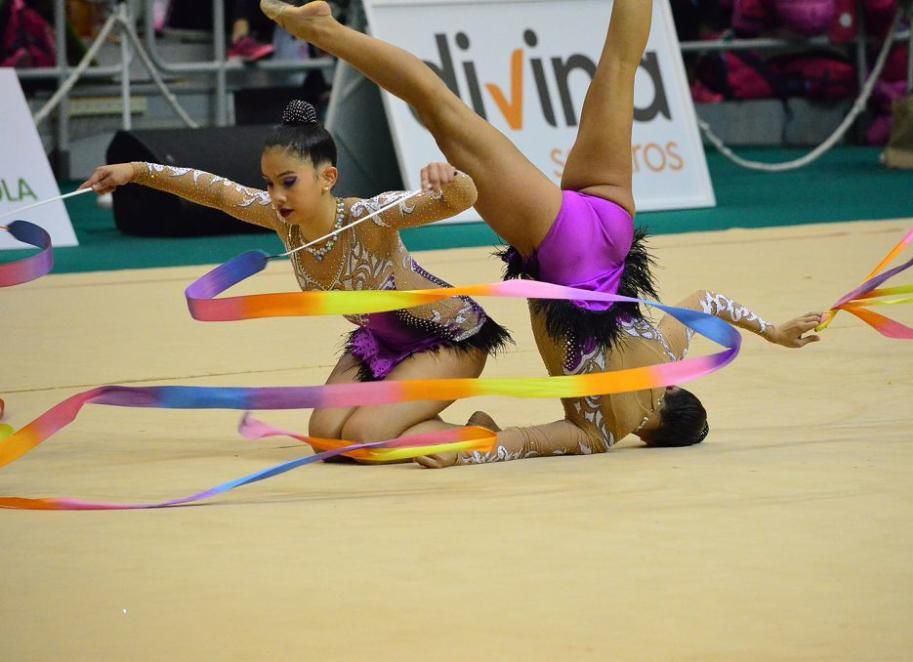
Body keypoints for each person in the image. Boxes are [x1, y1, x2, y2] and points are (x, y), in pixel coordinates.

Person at [261, 0, 821, 467]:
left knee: (619, 63)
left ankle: (327, 30)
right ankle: (326, 31)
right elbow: (522, 441)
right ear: (650, 436)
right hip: (563, 247)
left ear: (676, 391)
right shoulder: (602, 430)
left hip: (611, 224)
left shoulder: (665, 354)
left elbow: (709, 302)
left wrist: (773, 329)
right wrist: (464, 452)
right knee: (441, 111)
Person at [81, 99, 511, 449]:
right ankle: (412, 422)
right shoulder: (281, 220)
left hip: (447, 339)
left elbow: (456, 201)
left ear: (328, 177)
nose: (276, 196)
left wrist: (450, 177)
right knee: (325, 437)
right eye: (269, 183)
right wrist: (136, 171)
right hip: (380, 343)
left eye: (288, 182)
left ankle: (479, 435)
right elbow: (213, 190)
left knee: (364, 437)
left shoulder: (369, 217)